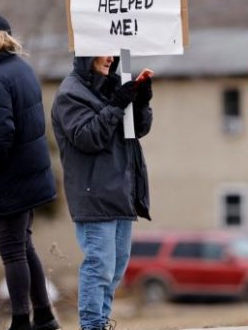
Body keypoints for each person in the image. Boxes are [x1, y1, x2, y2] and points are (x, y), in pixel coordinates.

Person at [0, 14, 60, 330]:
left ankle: (21, 321)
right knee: (24, 245)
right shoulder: (22, 70)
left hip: (11, 179)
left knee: (11, 249)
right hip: (29, 175)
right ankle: (45, 316)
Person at [51, 56, 153, 330]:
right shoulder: (70, 93)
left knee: (116, 269)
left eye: (112, 51)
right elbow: (88, 137)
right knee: (100, 266)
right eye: (103, 50)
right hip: (93, 191)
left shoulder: (114, 85)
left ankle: (101, 322)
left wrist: (141, 102)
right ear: (86, 52)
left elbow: (137, 130)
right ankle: (92, 325)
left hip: (122, 190)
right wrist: (118, 103)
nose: (110, 57)